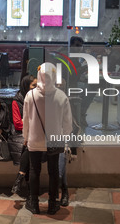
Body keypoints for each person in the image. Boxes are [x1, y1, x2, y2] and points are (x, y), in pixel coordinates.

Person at [23, 63, 72, 215]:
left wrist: (25, 137)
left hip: (35, 139)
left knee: (34, 171)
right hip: (55, 140)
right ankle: (52, 203)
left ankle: (34, 203)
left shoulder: (30, 95)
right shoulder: (61, 96)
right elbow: (67, 123)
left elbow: (26, 120)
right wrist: (64, 138)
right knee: (53, 171)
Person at [10, 75, 37, 195]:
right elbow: (17, 125)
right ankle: (30, 189)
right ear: (26, 86)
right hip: (20, 134)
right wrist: (32, 123)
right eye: (33, 86)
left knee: (30, 146)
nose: (36, 88)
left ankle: (20, 177)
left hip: (35, 133)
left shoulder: (39, 98)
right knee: (28, 146)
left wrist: (26, 121)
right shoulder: (17, 101)